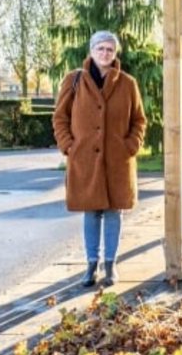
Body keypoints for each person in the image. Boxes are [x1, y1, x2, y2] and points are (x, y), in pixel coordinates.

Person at [52, 31, 147, 288]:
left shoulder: (128, 83)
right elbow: (60, 117)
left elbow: (139, 120)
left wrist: (131, 145)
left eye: (110, 49)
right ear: (91, 50)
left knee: (114, 211)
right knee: (91, 212)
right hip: (84, 159)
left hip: (118, 160)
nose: (105, 53)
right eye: (100, 48)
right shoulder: (74, 80)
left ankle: (110, 265)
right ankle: (91, 265)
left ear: (115, 54)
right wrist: (69, 146)